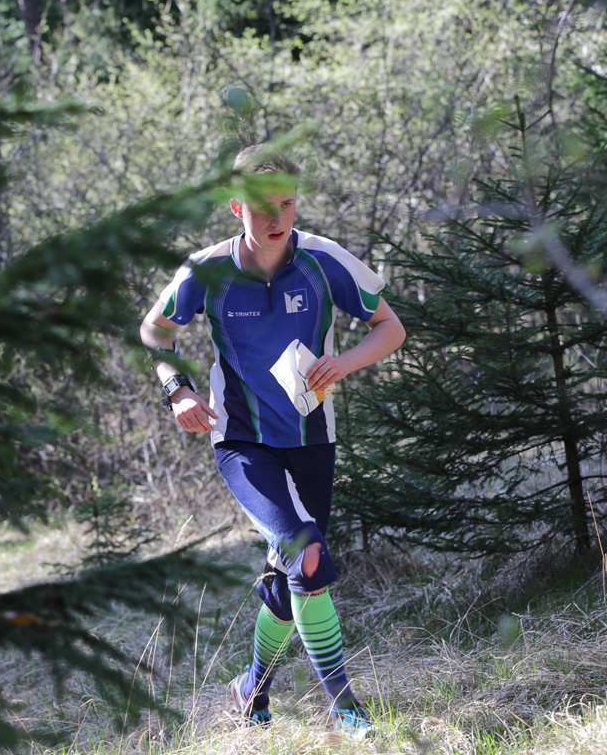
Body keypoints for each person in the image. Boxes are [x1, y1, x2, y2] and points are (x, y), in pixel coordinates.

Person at [139, 145, 406, 739]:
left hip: (312, 439)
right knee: (306, 553)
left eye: (287, 203)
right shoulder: (207, 271)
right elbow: (154, 331)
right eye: (263, 207)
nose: (277, 217)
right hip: (241, 442)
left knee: (292, 580)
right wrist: (177, 390)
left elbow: (391, 328)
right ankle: (346, 708)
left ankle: (251, 689)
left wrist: (345, 362)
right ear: (236, 208)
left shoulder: (323, 260)